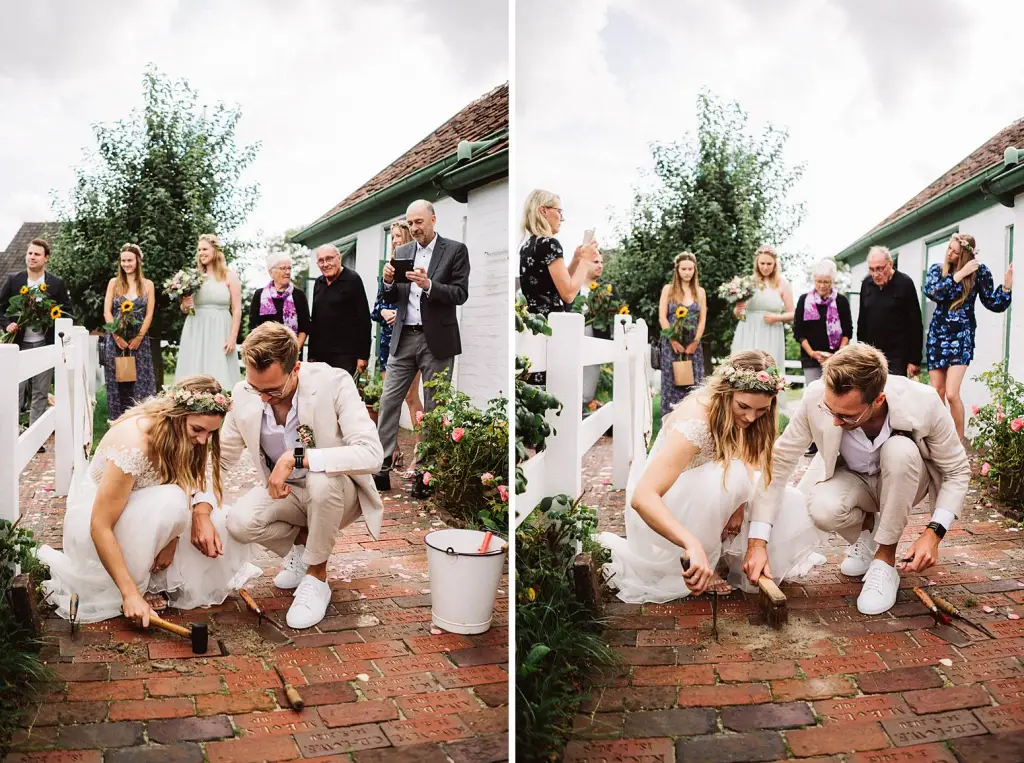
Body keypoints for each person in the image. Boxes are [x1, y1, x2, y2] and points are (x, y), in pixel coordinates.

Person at [744, 344, 970, 616]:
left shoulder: (925, 402)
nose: (836, 421)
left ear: (878, 400)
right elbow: (778, 465)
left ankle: (885, 561)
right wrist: (757, 542)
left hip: (906, 478)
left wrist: (935, 532)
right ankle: (868, 535)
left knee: (900, 451)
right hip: (853, 480)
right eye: (831, 411)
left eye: (847, 415)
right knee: (822, 506)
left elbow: (957, 470)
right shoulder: (816, 398)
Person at [598, 350, 825, 603]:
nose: (751, 417)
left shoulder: (750, 418)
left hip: (707, 496)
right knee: (732, 476)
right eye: (744, 406)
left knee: (784, 498)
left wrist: (739, 506)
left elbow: (749, 460)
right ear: (725, 392)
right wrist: (691, 543)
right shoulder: (697, 424)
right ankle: (703, 553)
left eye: (761, 410)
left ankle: (724, 551)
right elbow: (643, 497)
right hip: (668, 509)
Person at [36, 375, 261, 624]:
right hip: (100, 521)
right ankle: (140, 585)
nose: (203, 440)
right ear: (175, 415)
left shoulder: (185, 435)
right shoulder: (135, 446)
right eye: (197, 429)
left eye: (210, 432)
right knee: (172, 502)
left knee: (220, 524)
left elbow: (187, 482)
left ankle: (157, 576)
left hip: (150, 512)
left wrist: (173, 537)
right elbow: (99, 526)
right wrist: (130, 594)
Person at [217, 322, 384, 629]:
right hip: (290, 496)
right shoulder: (244, 395)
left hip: (337, 493)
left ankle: (316, 577)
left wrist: (298, 458)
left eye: (272, 390)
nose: (263, 398)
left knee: (321, 480)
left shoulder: (333, 382)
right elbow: (220, 460)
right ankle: (302, 550)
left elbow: (372, 454)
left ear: (295, 369)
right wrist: (199, 503)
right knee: (239, 522)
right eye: (256, 388)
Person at [373, 200, 471, 491]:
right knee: (389, 401)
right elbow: (391, 298)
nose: (415, 228)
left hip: (437, 339)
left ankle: (425, 475)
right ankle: (382, 466)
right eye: (411, 222)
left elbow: (460, 293)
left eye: (419, 222)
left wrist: (429, 285)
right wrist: (388, 283)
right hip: (404, 337)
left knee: (433, 406)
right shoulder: (402, 252)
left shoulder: (454, 250)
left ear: (433, 219)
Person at [924, 233, 1012, 441]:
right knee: (937, 392)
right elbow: (933, 292)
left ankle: (958, 445)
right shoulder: (938, 270)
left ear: (965, 253)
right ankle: (937, 441)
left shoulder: (979, 273)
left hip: (962, 337)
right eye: (949, 249)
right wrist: (959, 274)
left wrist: (1007, 286)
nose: (950, 253)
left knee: (952, 393)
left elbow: (993, 302)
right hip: (938, 336)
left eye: (955, 251)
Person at [0, 237, 74, 427]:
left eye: (37, 254)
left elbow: (68, 313)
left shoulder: (56, 283)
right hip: (18, 343)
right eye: (30, 253)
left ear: (46, 258)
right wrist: (7, 324)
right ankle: (13, 433)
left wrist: (52, 319)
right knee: (16, 389)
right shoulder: (13, 280)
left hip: (45, 343)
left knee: (41, 392)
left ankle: (36, 435)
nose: (32, 257)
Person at [371, 220, 423, 473]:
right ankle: (391, 455)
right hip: (387, 341)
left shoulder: (417, 266)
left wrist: (397, 312)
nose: (394, 241)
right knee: (389, 399)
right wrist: (384, 313)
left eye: (398, 236)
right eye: (392, 237)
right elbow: (377, 306)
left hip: (410, 337)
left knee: (411, 397)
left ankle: (420, 453)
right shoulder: (388, 269)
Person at [518, 189, 599, 317]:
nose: (562, 218)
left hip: (534, 323)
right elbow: (568, 294)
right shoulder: (550, 244)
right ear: (544, 211)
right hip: (552, 324)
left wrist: (576, 259)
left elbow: (554, 284)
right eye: (559, 211)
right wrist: (585, 260)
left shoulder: (527, 246)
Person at [176, 234, 243, 389]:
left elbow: (237, 309)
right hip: (196, 328)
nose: (201, 253)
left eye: (205, 249)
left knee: (219, 369)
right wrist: (185, 304)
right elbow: (185, 308)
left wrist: (232, 338)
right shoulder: (193, 277)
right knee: (195, 368)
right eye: (199, 250)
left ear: (215, 251)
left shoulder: (229, 276)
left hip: (221, 330)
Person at [102, 244, 157, 422]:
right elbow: (107, 312)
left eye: (130, 260)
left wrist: (139, 337)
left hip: (139, 342)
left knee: (140, 383)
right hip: (116, 341)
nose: (126, 264)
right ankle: (117, 423)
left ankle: (141, 423)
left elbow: (149, 314)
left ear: (138, 261)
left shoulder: (148, 285)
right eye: (123, 260)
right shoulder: (114, 283)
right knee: (118, 383)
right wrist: (116, 336)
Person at [856, 246, 923, 377]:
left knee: (893, 394)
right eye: (872, 269)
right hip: (872, 354)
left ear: (890, 264)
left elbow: (915, 324)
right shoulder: (866, 284)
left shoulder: (905, 283)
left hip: (898, 355)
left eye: (880, 268)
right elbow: (862, 321)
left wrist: (914, 360)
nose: (876, 274)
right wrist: (861, 352)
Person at [307, 244, 371, 376]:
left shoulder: (352, 279)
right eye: (321, 261)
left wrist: (363, 355)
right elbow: (315, 320)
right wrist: (311, 355)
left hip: (345, 355)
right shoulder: (319, 283)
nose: (325, 264)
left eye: (329, 259)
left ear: (339, 258)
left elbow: (363, 319)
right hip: (320, 355)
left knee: (340, 394)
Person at [658, 252, 707, 420]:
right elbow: (662, 317)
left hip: (693, 346)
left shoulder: (700, 292)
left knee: (694, 385)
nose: (687, 272)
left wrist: (695, 342)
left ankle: (693, 421)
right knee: (672, 383)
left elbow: (702, 320)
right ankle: (669, 422)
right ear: (677, 270)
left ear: (695, 270)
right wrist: (672, 340)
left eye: (690, 269)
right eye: (684, 269)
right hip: (672, 344)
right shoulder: (669, 290)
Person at [730, 245, 793, 369]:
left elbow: (793, 313)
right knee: (746, 364)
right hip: (748, 329)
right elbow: (739, 314)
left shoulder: (783, 284)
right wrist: (738, 310)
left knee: (768, 366)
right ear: (757, 263)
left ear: (775, 264)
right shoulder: (748, 282)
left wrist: (777, 318)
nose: (765, 267)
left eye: (769, 264)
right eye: (762, 263)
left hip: (772, 330)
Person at [248, 252, 312, 351]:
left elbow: (305, 327)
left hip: (291, 352)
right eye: (283, 268)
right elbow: (253, 327)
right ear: (271, 272)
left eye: (289, 268)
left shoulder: (298, 295)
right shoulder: (260, 295)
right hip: (265, 352)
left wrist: (294, 351)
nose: (287, 272)